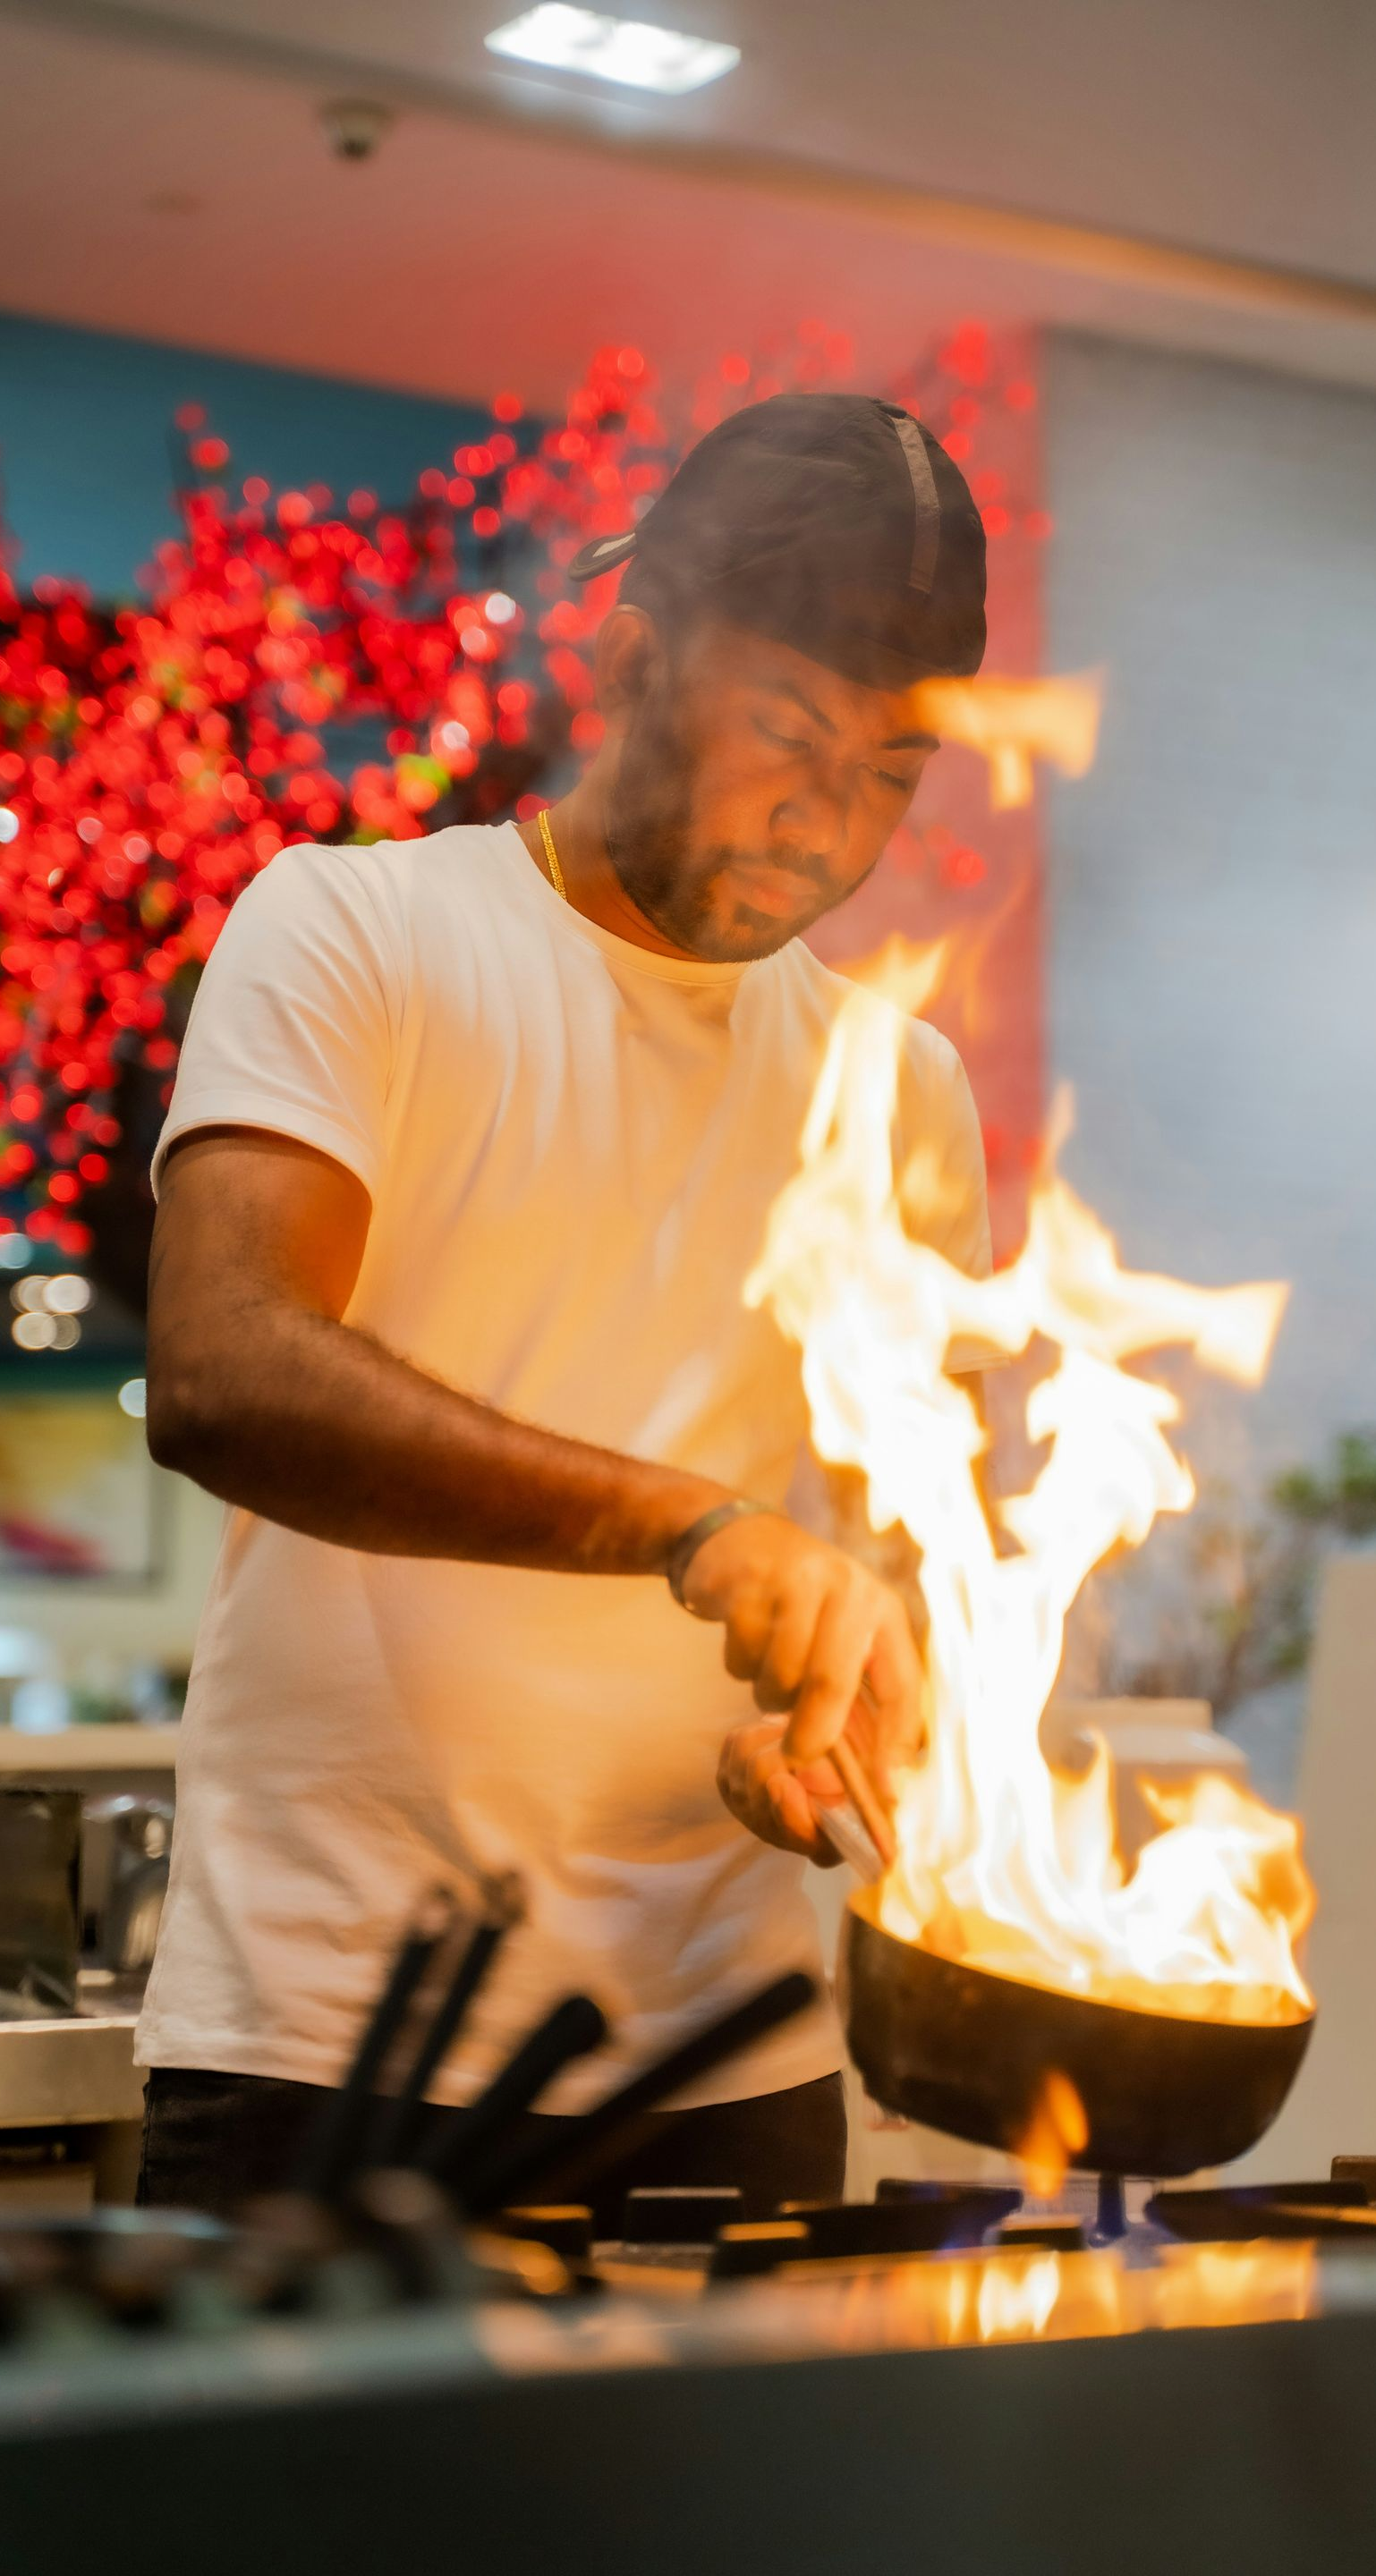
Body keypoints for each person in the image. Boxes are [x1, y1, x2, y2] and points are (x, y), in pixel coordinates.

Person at [136, 391, 991, 2220]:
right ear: (629, 658)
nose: (826, 825)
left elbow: (902, 1566)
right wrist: (688, 1530)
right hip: (328, 2047)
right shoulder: (355, 934)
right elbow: (221, 1370)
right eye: (785, 738)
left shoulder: (896, 1087)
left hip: (731, 2069)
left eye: (888, 781)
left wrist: (839, 1731)